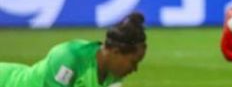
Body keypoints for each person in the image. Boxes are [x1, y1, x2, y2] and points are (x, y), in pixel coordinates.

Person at [0, 12, 147, 87]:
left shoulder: (112, 78)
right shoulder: (70, 57)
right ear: (115, 52)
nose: (135, 69)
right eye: (133, 62)